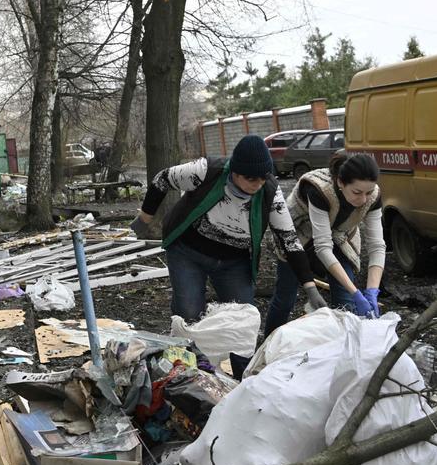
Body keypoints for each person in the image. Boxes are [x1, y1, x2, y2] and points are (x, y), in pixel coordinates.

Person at [132, 134, 325, 324]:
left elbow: (289, 239)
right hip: (188, 252)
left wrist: (310, 286)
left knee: (242, 318)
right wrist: (145, 218)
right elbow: (161, 180)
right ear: (235, 172)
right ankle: (190, 351)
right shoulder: (206, 170)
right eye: (251, 179)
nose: (258, 185)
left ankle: (238, 356)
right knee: (189, 312)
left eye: (262, 179)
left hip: (234, 262)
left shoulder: (270, 192)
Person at [263, 151, 385, 338]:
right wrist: (356, 292)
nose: (363, 199)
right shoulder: (319, 190)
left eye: (368, 192)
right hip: (299, 236)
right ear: (340, 183)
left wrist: (371, 291)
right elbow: (322, 247)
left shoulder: (373, 197)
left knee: (346, 303)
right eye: (357, 192)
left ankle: (341, 353)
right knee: (286, 297)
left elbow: (377, 246)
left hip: (338, 236)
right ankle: (267, 345)